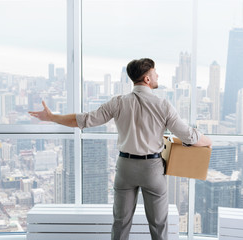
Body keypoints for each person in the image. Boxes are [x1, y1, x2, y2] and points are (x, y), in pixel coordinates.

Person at [28, 58, 212, 240]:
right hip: (152, 168)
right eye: (155, 72)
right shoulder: (163, 105)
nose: (158, 75)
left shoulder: (118, 102)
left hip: (125, 167)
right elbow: (188, 135)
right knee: (159, 226)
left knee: (120, 223)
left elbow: (83, 120)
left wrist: (52, 117)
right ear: (147, 79)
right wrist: (206, 141)